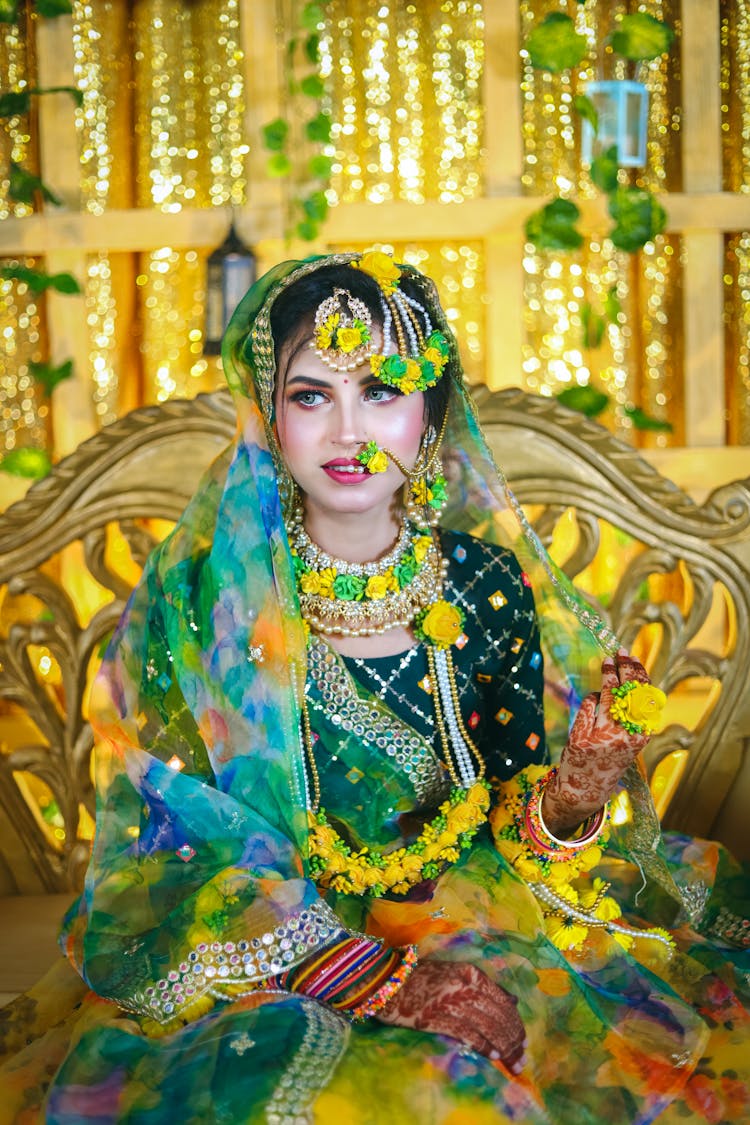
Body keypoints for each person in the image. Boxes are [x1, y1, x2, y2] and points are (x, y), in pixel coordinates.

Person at [1, 252, 747, 1124]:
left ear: (430, 416)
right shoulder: (211, 601)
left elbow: (513, 821)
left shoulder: (485, 585)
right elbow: (169, 835)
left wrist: (577, 791)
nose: (349, 431)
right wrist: (352, 970)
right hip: (262, 944)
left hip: (470, 914)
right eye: (312, 395)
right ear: (269, 416)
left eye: (384, 390)